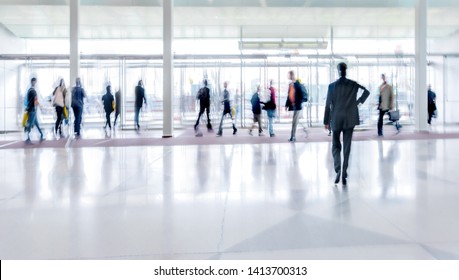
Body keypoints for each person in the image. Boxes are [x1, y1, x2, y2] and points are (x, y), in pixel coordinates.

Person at [324, 62, 370, 185]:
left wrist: (326, 121)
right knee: (347, 146)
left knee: (335, 145)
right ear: (346, 70)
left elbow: (328, 104)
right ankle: (344, 171)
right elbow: (366, 92)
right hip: (350, 118)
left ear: (338, 71)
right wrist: (358, 102)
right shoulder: (353, 84)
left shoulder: (332, 86)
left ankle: (338, 169)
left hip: (336, 118)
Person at [285, 70, 308, 142]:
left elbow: (302, 95)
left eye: (288, 75)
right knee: (297, 120)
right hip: (294, 106)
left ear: (292, 75)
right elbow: (289, 96)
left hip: (297, 106)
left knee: (294, 122)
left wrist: (297, 102)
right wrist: (287, 105)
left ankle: (293, 136)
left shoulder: (297, 84)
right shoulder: (290, 85)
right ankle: (305, 128)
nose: (287, 76)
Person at [25, 77, 45, 144]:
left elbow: (28, 101)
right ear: (34, 82)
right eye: (35, 82)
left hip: (30, 109)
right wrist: (40, 106)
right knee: (30, 124)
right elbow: (36, 101)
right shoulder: (34, 91)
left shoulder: (29, 90)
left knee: (36, 123)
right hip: (32, 110)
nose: (36, 83)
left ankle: (41, 135)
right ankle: (28, 138)